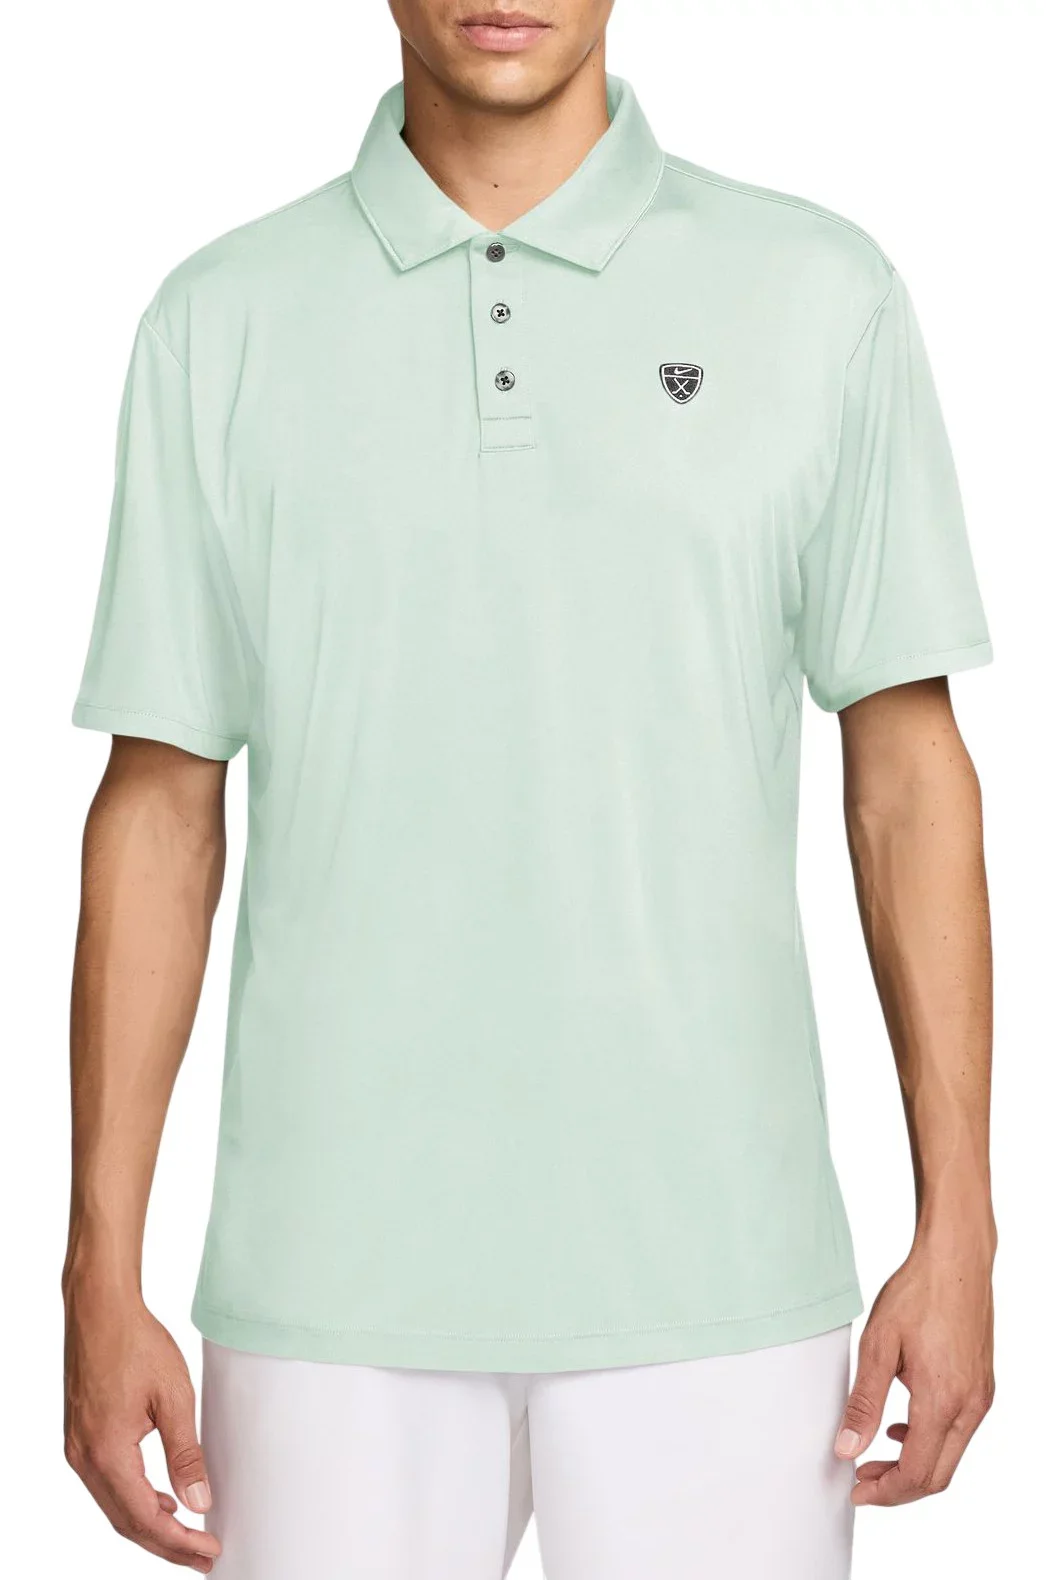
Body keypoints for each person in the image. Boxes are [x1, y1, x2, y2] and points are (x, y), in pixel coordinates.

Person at [62, 3, 996, 1576]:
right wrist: (99, 1267)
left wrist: (960, 1220)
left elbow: (907, 777)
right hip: (326, 1292)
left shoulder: (821, 296)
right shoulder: (220, 321)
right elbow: (158, 805)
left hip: (722, 1280)